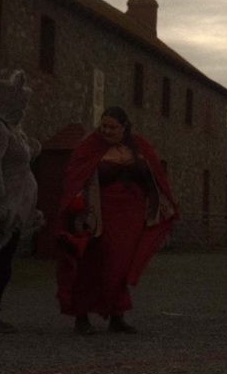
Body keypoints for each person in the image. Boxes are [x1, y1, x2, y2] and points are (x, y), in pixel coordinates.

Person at [56, 107, 177, 334]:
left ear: (124, 127)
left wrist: (158, 204)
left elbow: (154, 175)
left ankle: (116, 315)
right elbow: (76, 176)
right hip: (100, 213)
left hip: (131, 213)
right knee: (93, 261)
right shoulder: (90, 147)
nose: (107, 131)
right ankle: (81, 316)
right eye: (104, 126)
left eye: (112, 127)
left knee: (121, 264)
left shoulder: (139, 146)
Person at [0, 70, 41, 333]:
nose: (23, 109)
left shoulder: (11, 129)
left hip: (17, 205)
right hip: (5, 207)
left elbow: (19, 158)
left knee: (4, 261)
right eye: (20, 104)